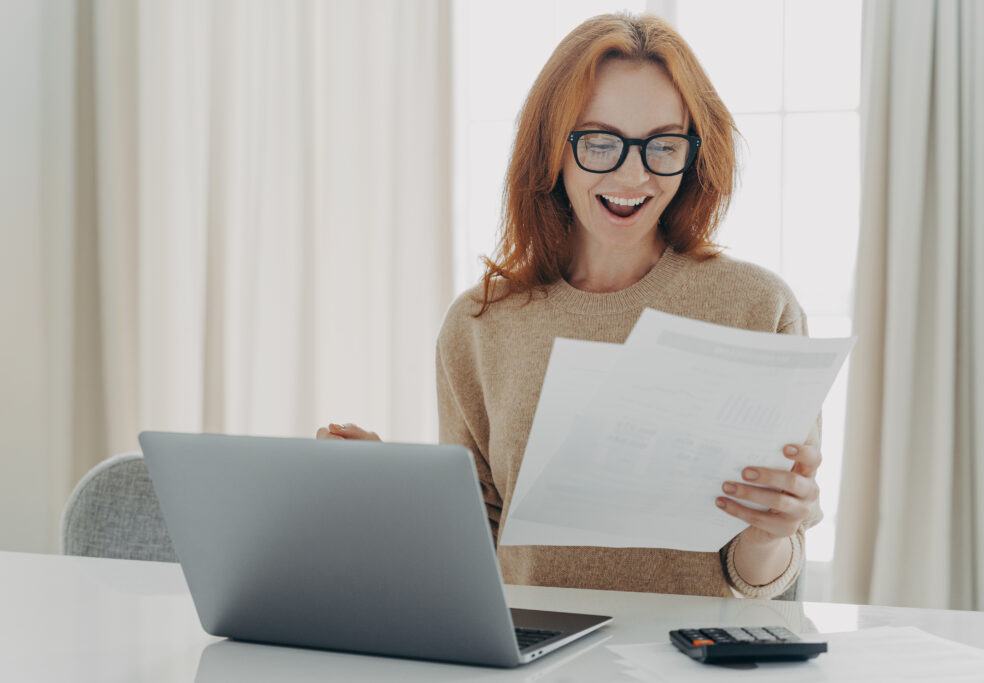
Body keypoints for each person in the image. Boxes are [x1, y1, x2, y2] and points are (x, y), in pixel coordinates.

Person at [318, 12, 823, 599]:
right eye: (601, 142)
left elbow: (759, 580)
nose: (634, 174)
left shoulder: (758, 308)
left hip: (690, 656)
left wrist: (770, 532)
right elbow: (475, 554)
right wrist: (399, 491)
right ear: (552, 150)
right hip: (531, 656)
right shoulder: (481, 324)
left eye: (662, 145)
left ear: (692, 154)